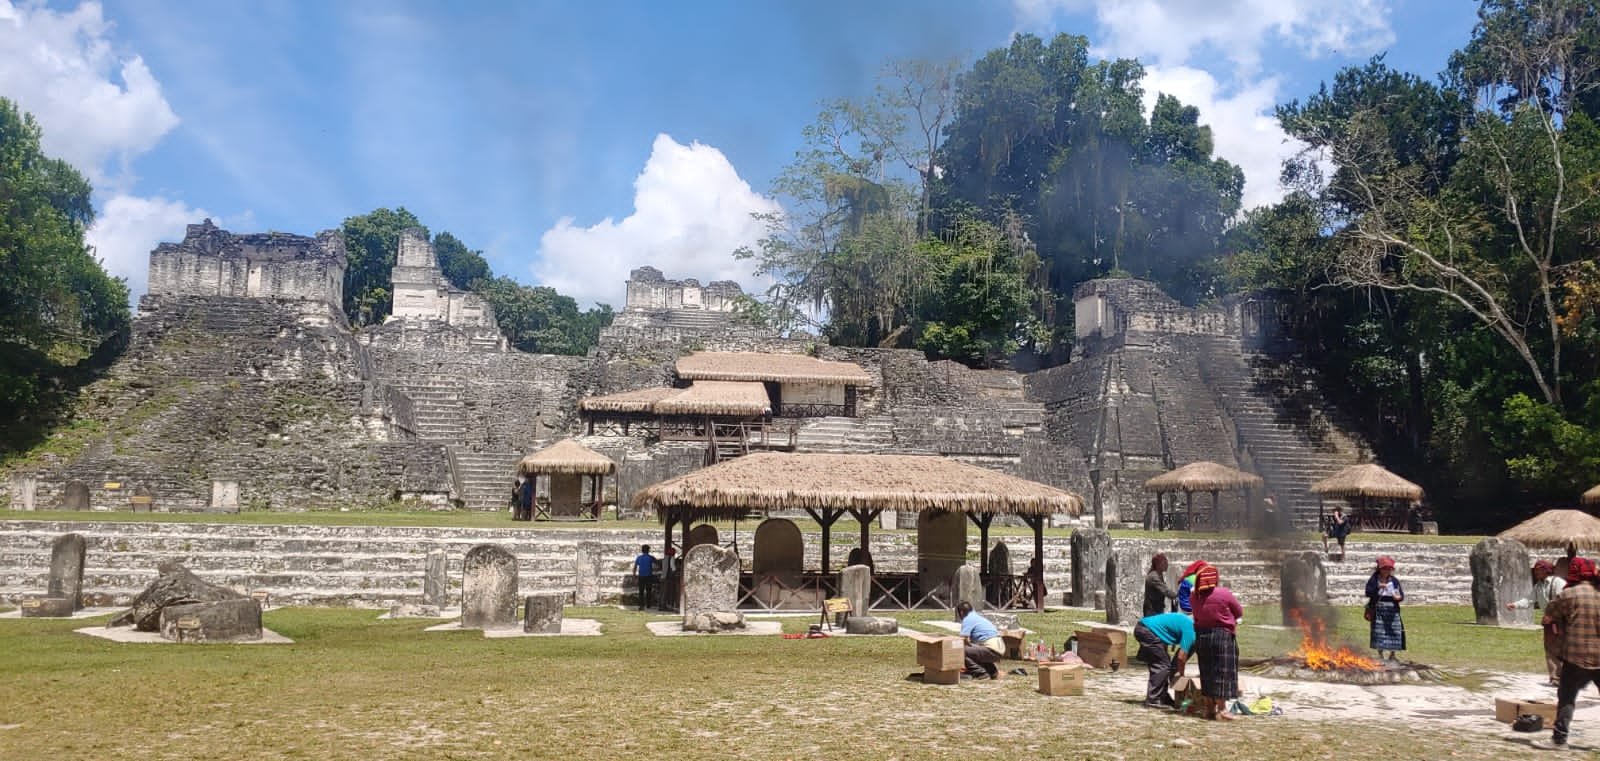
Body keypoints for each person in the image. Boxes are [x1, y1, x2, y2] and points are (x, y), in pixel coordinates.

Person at [1539, 557, 1600, 751]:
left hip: (1575, 655)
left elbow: (1549, 614)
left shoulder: (1569, 595)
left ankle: (1559, 738)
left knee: (1567, 697)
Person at [1192, 565, 1243, 720]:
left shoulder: (1194, 596)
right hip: (1222, 636)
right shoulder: (1223, 594)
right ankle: (1222, 709)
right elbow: (1239, 611)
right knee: (1222, 671)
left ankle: (1209, 709)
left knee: (1206, 671)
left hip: (1202, 636)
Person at [1508, 559, 1567, 685]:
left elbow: (1562, 602)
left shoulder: (1558, 583)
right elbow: (1529, 600)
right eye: (1535, 570)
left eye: (1539, 570)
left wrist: (1553, 616)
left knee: (1563, 650)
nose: (1536, 572)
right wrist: (1515, 605)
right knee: (1550, 649)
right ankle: (1556, 678)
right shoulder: (1538, 586)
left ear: (1546, 570)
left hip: (1561, 621)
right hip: (1548, 622)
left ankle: (1567, 678)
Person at [1135, 611, 1196, 708]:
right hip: (1147, 631)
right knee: (1162, 665)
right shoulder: (1190, 628)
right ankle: (1153, 699)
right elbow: (1181, 657)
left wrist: (1176, 673)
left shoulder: (1187, 621)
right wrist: (1181, 675)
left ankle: (1162, 696)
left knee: (1162, 664)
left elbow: (1177, 661)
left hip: (1144, 627)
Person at [1366, 556, 1406, 660]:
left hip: (1392, 610)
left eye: (1389, 569)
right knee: (1379, 632)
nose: (1387, 571)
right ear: (1380, 568)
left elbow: (1401, 595)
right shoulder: (1374, 579)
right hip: (1379, 609)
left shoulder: (1394, 581)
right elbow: (1368, 592)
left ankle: (1393, 654)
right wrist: (1377, 588)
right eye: (1385, 568)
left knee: (1395, 631)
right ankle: (1380, 654)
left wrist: (1398, 597)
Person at [954, 601, 1004, 680]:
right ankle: (992, 672)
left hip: (991, 648)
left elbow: (963, 640)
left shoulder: (968, 619)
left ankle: (980, 673)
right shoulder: (977, 617)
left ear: (961, 612)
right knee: (976, 651)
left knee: (960, 649)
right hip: (999, 648)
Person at [633, 544, 657, 611]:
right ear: (648, 550)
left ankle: (641, 605)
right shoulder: (651, 557)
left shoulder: (639, 557)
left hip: (641, 576)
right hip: (649, 576)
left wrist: (634, 575)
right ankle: (648, 604)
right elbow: (657, 563)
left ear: (642, 550)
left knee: (641, 591)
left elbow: (635, 567)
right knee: (648, 591)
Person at [657, 547, 680, 612]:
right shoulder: (672, 558)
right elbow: (673, 568)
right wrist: (677, 570)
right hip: (667, 578)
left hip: (662, 577)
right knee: (665, 593)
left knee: (662, 592)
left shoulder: (664, 558)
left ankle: (660, 606)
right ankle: (663, 606)